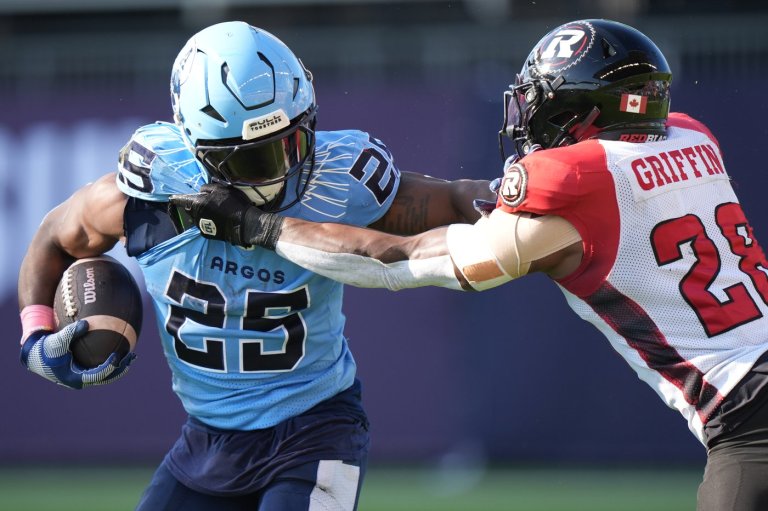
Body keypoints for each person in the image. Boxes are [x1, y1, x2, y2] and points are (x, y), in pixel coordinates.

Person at [171, 19, 768, 511]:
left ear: (580, 114)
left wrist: (262, 228)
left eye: (542, 105)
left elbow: (399, 262)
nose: (528, 120)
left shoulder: (574, 183)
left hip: (748, 416)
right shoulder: (691, 138)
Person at [17, 21, 492, 511]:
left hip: (315, 429)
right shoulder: (146, 199)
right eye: (255, 159)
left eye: (293, 143)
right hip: (206, 440)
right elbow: (54, 234)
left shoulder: (336, 184)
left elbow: (455, 200)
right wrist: (35, 334)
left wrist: (512, 195)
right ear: (200, 150)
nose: (281, 169)